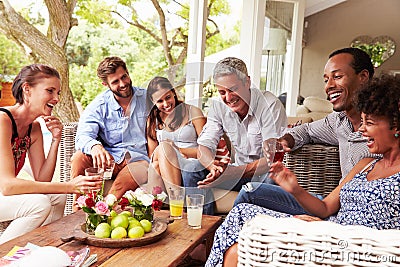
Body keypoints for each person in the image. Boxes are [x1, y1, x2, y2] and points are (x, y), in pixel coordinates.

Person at [206, 74, 400, 267]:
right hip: (327, 230)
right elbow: (325, 208)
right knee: (241, 214)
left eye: (370, 123)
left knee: (238, 244)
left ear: (396, 124)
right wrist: (294, 189)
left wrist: (328, 228)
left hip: (349, 246)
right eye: (362, 122)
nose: (361, 130)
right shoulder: (366, 163)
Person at [234, 47, 378, 214]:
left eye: (337, 77)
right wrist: (284, 141)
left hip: (351, 214)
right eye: (326, 80)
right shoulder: (338, 121)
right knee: (250, 192)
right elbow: (306, 131)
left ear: (363, 77)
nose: (329, 86)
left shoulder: (384, 133)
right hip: (332, 204)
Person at [0, 64, 102, 244]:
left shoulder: (34, 128)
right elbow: (8, 186)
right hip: (3, 191)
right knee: (39, 204)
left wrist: (56, 140)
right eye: (50, 91)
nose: (56, 99)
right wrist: (70, 186)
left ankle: (44, 244)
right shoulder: (3, 121)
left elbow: (42, 179)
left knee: (57, 196)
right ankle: (4, 255)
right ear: (27, 89)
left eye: (58, 93)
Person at [196, 57, 287, 191]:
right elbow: (204, 146)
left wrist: (231, 173)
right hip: (238, 172)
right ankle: (199, 212)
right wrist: (213, 167)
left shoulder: (270, 104)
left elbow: (272, 159)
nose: (228, 98)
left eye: (232, 89)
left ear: (247, 82)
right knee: (194, 170)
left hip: (264, 173)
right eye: (222, 92)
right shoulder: (218, 106)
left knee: (272, 177)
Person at [70, 56, 149, 201]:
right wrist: (94, 146)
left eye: (124, 76)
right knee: (79, 158)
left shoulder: (147, 98)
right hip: (109, 159)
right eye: (115, 82)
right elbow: (82, 136)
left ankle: (106, 206)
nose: (123, 83)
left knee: (124, 181)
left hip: (138, 160)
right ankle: (77, 208)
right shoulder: (99, 106)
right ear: (105, 84)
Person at [146, 76, 215, 214]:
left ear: (173, 93)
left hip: (192, 161)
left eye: (168, 97)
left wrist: (176, 150)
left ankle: (173, 206)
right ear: (153, 102)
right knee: (157, 160)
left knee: (165, 148)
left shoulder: (193, 112)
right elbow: (153, 155)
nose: (166, 104)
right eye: (160, 101)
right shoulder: (152, 119)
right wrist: (168, 152)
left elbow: (207, 150)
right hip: (166, 166)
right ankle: (173, 204)